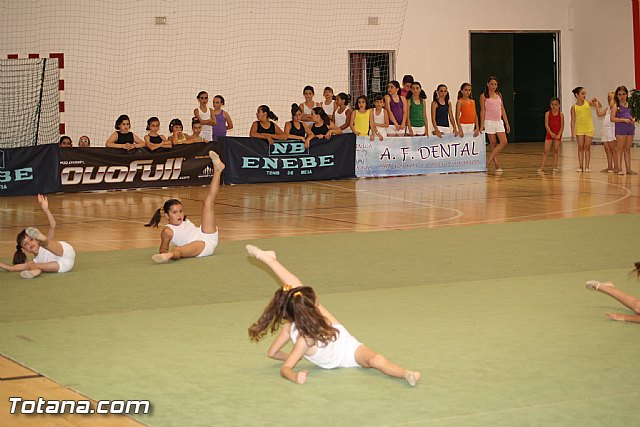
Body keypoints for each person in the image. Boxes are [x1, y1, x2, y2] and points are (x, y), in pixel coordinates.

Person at [246, 244, 422, 386]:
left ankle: (406, 374)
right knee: (375, 360)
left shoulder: (294, 326)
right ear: (311, 308)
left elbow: (272, 353)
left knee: (375, 359)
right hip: (344, 355)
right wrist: (295, 369)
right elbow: (285, 368)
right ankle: (269, 260)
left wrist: (298, 356)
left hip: (339, 336)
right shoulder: (304, 340)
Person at [144, 151, 224, 263]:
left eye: (181, 211)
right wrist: (163, 253)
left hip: (207, 234)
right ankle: (169, 256)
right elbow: (163, 248)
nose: (179, 214)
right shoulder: (168, 231)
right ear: (166, 215)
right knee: (178, 250)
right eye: (175, 212)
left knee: (207, 203)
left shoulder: (184, 221)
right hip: (200, 246)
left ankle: (218, 170)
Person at [0, 195, 75, 279]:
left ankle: (40, 237)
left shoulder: (42, 247)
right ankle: (34, 272)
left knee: (46, 243)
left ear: (36, 240)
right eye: (26, 244)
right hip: (64, 266)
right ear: (24, 249)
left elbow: (53, 226)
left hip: (65, 252)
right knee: (32, 265)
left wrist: (46, 209)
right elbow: (12, 268)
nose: (30, 244)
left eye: (31, 239)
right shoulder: (36, 261)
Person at [480, 77, 511, 173]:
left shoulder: (499, 95)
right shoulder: (484, 96)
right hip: (489, 121)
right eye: (492, 84)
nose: (494, 86)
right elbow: (482, 111)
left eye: (495, 84)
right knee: (493, 143)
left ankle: (488, 161)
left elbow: (502, 109)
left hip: (498, 121)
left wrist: (506, 123)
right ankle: (496, 164)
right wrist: (482, 125)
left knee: (504, 141)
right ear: (488, 84)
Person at [570, 86, 599, 173]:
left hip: (589, 128)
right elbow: (573, 120)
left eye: (585, 93)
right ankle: (580, 166)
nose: (584, 95)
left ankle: (587, 166)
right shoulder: (573, 107)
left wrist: (596, 101)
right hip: (579, 129)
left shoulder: (588, 102)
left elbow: (599, 105)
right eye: (582, 93)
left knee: (587, 147)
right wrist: (572, 132)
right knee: (580, 147)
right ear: (577, 95)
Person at [610, 85, 636, 175]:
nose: (622, 96)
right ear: (617, 96)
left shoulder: (631, 105)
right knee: (620, 148)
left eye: (624, 94)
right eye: (620, 94)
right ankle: (619, 168)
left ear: (627, 94)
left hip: (630, 129)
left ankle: (628, 169)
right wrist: (623, 120)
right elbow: (612, 118)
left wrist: (633, 119)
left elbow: (634, 115)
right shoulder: (615, 106)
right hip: (621, 129)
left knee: (627, 149)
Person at [538, 97, 565, 173]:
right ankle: (542, 167)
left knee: (556, 150)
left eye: (556, 104)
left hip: (557, 135)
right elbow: (546, 125)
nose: (554, 106)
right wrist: (551, 133)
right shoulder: (547, 114)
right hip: (549, 134)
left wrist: (559, 134)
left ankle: (555, 166)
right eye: (552, 104)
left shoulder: (561, 115)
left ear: (559, 105)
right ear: (550, 105)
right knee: (546, 150)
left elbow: (562, 126)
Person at [595, 92, 617, 173]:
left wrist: (613, 101)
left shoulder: (615, 107)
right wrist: (597, 104)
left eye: (610, 97)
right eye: (607, 97)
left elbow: (612, 105)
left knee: (613, 149)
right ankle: (609, 167)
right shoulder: (608, 108)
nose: (608, 99)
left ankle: (616, 167)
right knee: (607, 149)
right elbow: (599, 114)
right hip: (605, 130)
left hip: (612, 129)